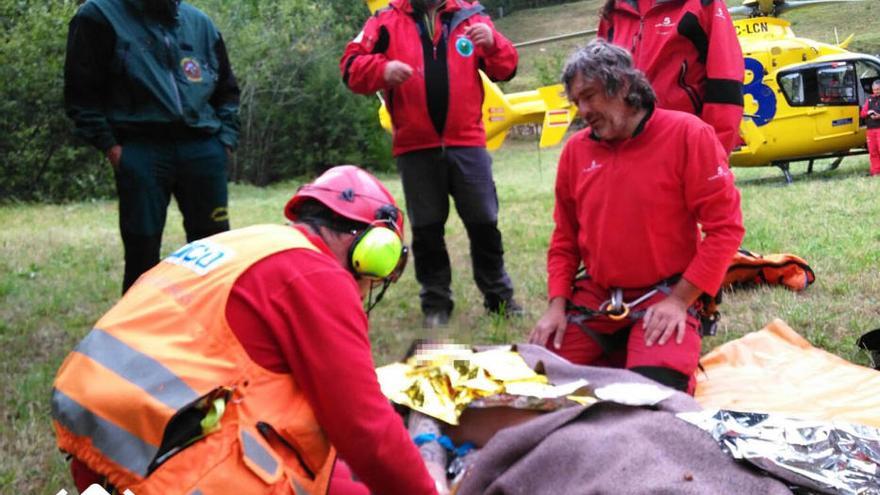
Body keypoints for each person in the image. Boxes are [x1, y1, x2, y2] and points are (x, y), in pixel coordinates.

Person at [50, 166, 439, 495]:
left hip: (106, 449)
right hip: (165, 472)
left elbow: (302, 424)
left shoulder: (248, 244)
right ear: (375, 247)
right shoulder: (316, 274)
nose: (366, 287)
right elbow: (366, 429)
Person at [528, 40, 745, 394]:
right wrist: (556, 307)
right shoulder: (576, 152)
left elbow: (725, 230)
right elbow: (564, 239)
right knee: (536, 385)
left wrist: (679, 302)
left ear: (623, 86)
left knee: (652, 401)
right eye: (576, 102)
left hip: (665, 295)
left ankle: (633, 357)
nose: (582, 110)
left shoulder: (688, 134)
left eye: (590, 96)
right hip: (595, 300)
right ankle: (615, 355)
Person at [340, 0, 522, 328]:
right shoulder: (385, 21)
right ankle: (436, 304)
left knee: (484, 222)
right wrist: (381, 70)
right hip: (414, 147)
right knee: (426, 229)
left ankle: (499, 297)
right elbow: (350, 66)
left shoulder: (472, 15)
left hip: (468, 143)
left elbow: (506, 69)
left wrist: (495, 44)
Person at [64, 0, 240, 294]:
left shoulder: (199, 23)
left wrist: (225, 141)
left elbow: (227, 90)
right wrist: (111, 146)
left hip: (203, 148)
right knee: (142, 252)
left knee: (215, 249)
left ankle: (215, 326)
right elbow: (80, 95)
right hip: (141, 149)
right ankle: (135, 334)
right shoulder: (99, 16)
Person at [597, 0, 744, 154]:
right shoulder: (615, 11)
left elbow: (726, 81)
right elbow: (601, 87)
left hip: (688, 146)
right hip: (629, 151)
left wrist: (714, 149)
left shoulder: (702, 4)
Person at [860, 80, 880, 176]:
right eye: (874, 90)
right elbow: (862, 114)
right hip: (870, 130)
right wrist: (868, 112)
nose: (876, 91)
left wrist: (878, 116)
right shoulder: (869, 99)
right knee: (873, 151)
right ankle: (875, 172)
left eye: (878, 89)